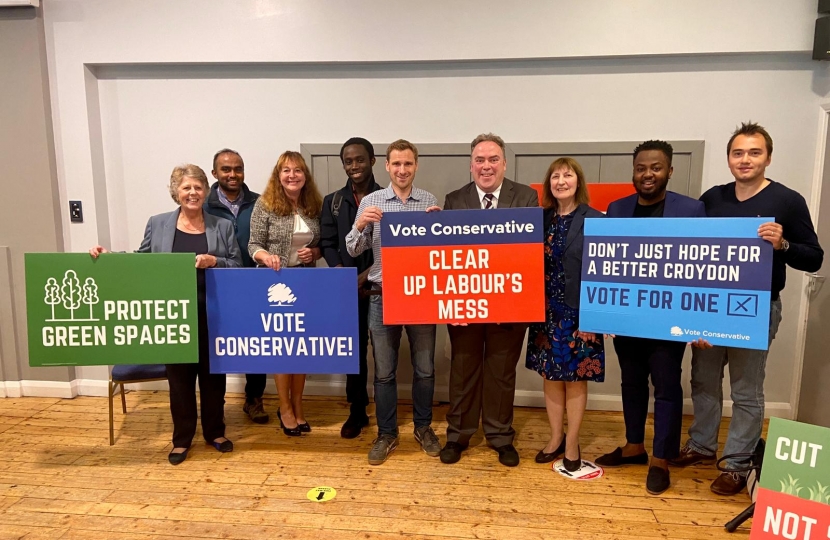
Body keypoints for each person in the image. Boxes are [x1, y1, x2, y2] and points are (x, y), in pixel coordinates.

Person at [671, 122, 824, 495]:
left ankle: (737, 464)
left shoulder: (787, 201)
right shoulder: (712, 198)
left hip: (756, 308)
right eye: (738, 153)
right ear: (729, 158)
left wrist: (784, 244)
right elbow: (694, 252)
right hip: (709, 306)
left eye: (754, 152)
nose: (745, 159)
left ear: (768, 157)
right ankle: (702, 445)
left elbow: (814, 258)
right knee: (704, 381)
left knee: (746, 389)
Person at [89, 164, 242, 465]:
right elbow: (142, 261)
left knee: (214, 379)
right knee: (180, 381)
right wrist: (109, 258)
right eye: (186, 188)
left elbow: (238, 266)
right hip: (175, 316)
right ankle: (181, 439)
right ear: (176, 192)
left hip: (214, 316)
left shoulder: (222, 225)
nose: (193, 193)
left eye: (198, 187)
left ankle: (215, 432)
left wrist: (215, 261)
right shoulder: (158, 224)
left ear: (206, 191)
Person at [595, 140, 706, 495]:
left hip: (669, 319)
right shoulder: (616, 209)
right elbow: (604, 266)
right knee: (630, 382)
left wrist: (699, 320)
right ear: (633, 171)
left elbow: (704, 268)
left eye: (656, 168)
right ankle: (634, 446)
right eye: (641, 167)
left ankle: (661, 457)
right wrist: (604, 312)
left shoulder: (691, 211)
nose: (648, 174)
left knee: (667, 387)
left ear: (669, 171)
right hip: (628, 317)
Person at [439, 133, 539, 467]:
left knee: (500, 372)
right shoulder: (453, 200)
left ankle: (499, 436)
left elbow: (529, 254)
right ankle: (458, 435)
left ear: (504, 163)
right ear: (471, 165)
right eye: (480, 160)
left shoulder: (526, 197)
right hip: (465, 305)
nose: (486, 166)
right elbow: (448, 257)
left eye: (493, 159)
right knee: (463, 369)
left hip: (510, 305)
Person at [345, 139, 440, 465]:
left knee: (425, 369)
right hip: (383, 297)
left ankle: (423, 427)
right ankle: (386, 433)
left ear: (416, 166)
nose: (402, 170)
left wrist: (440, 229)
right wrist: (360, 225)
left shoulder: (428, 200)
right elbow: (353, 250)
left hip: (421, 296)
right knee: (384, 373)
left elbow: (438, 255)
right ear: (386, 166)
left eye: (408, 164)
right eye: (396, 164)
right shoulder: (371, 201)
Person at [525, 157, 605, 472]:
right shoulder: (539, 220)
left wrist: (593, 317)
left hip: (579, 315)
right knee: (551, 377)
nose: (561, 181)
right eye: (555, 176)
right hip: (545, 313)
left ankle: (572, 443)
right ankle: (555, 437)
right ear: (549, 184)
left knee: (575, 379)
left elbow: (602, 274)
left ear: (578, 181)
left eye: (567, 175)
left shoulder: (595, 219)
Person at [248, 151, 323, 437]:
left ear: (305, 175)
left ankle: (298, 406)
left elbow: (320, 244)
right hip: (275, 285)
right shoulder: (265, 204)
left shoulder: (313, 205)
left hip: (305, 284)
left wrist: (313, 251)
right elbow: (253, 244)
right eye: (286, 170)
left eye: (298, 170)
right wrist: (265, 256)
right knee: (282, 352)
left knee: (301, 352)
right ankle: (284, 408)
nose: (292, 175)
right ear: (278, 175)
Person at [320, 137, 382, 438]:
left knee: (384, 352)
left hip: (382, 286)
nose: (354, 166)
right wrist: (341, 272)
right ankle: (357, 411)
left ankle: (386, 411)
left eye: (359, 159)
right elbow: (328, 243)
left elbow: (397, 247)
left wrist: (368, 274)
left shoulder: (388, 197)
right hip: (347, 288)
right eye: (348, 161)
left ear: (372, 160)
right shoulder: (332, 201)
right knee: (354, 351)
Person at [203, 148, 268, 424]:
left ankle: (254, 399)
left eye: (238, 169)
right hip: (215, 285)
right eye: (226, 169)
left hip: (253, 283)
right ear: (214, 173)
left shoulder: (260, 202)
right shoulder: (202, 204)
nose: (233, 174)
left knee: (257, 344)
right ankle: (214, 404)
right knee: (215, 345)